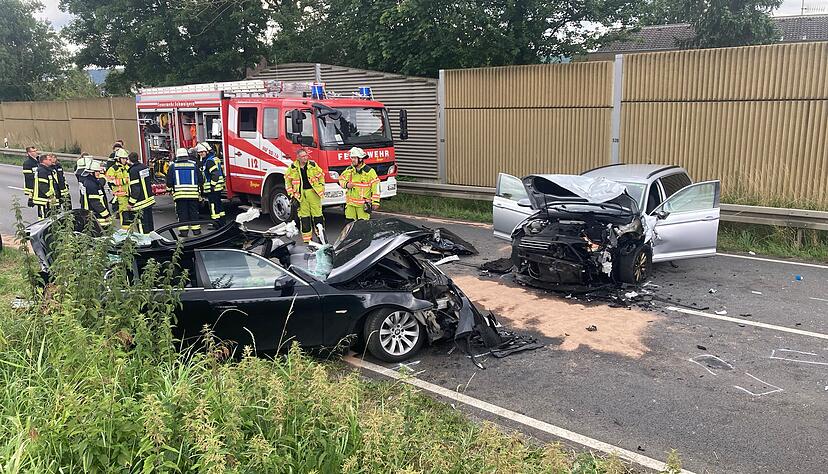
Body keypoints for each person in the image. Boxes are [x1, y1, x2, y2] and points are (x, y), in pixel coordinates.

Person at [285, 148, 325, 242]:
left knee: (318, 216)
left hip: (313, 193)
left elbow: (321, 176)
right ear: (298, 157)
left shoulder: (313, 165)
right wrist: (292, 194)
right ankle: (307, 240)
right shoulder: (293, 167)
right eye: (303, 156)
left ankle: (321, 237)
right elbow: (288, 181)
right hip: (301, 196)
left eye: (306, 156)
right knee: (304, 218)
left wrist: (321, 187)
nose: (305, 158)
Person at [166, 147, 201, 237]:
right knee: (194, 212)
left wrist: (170, 188)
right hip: (193, 195)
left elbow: (169, 182)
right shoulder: (194, 165)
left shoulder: (173, 166)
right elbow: (201, 179)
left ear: (177, 156)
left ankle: (184, 232)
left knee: (182, 213)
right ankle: (196, 231)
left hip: (180, 195)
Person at [338, 147, 380, 222]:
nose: (352, 160)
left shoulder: (369, 172)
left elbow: (376, 187)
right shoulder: (349, 170)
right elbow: (341, 179)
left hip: (363, 206)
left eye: (354, 158)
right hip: (350, 205)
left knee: (363, 227)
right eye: (352, 158)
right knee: (349, 226)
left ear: (360, 159)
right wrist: (346, 184)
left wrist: (375, 202)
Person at [196, 142, 226, 226]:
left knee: (213, 205)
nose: (201, 154)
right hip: (218, 187)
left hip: (213, 188)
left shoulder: (209, 161)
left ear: (207, 151)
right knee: (218, 205)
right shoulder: (214, 159)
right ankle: (222, 222)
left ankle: (216, 223)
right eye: (199, 153)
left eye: (202, 152)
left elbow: (215, 174)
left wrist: (212, 185)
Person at [127, 152, 156, 233]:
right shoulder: (144, 167)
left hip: (140, 202)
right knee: (149, 223)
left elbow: (135, 188)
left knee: (142, 225)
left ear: (129, 160)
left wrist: (131, 203)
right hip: (148, 200)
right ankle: (151, 240)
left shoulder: (133, 171)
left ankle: (145, 243)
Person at [78, 161, 112, 228]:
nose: (98, 173)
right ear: (91, 172)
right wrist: (106, 215)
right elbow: (95, 202)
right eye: (96, 172)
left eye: (99, 171)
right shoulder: (91, 184)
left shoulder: (92, 181)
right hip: (96, 216)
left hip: (95, 215)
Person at [105, 148, 131, 229]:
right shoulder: (113, 169)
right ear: (118, 159)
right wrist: (124, 180)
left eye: (126, 158)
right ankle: (125, 232)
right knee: (124, 214)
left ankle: (131, 231)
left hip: (129, 194)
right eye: (123, 158)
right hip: (121, 196)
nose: (125, 160)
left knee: (131, 215)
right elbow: (110, 180)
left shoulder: (128, 167)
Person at [32, 153, 58, 218]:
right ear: (44, 161)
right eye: (49, 159)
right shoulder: (42, 171)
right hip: (42, 199)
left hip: (46, 199)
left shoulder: (47, 170)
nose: (51, 161)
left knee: (48, 217)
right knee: (43, 219)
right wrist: (50, 195)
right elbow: (43, 186)